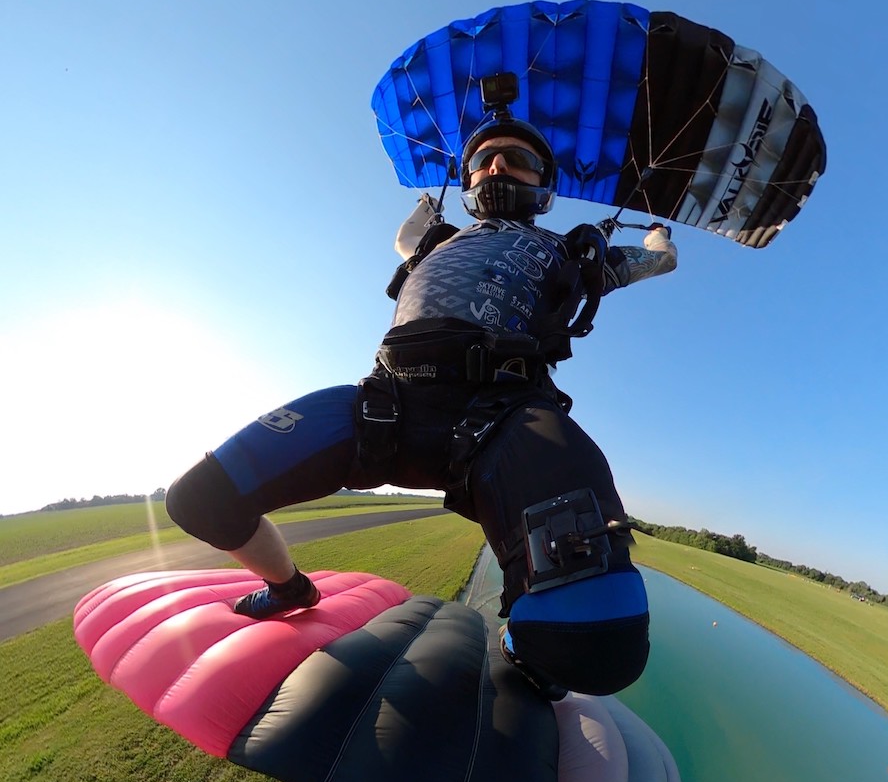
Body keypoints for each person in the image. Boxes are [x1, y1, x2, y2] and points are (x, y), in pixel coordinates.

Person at [165, 112, 676, 699]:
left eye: (519, 158)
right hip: (388, 403)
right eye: (482, 159)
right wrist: (424, 208)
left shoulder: (570, 251)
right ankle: (290, 590)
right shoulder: (435, 243)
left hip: (502, 415)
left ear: (546, 185)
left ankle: (524, 642)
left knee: (601, 645)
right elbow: (406, 239)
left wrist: (659, 241)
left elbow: (653, 263)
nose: (497, 166)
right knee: (199, 498)